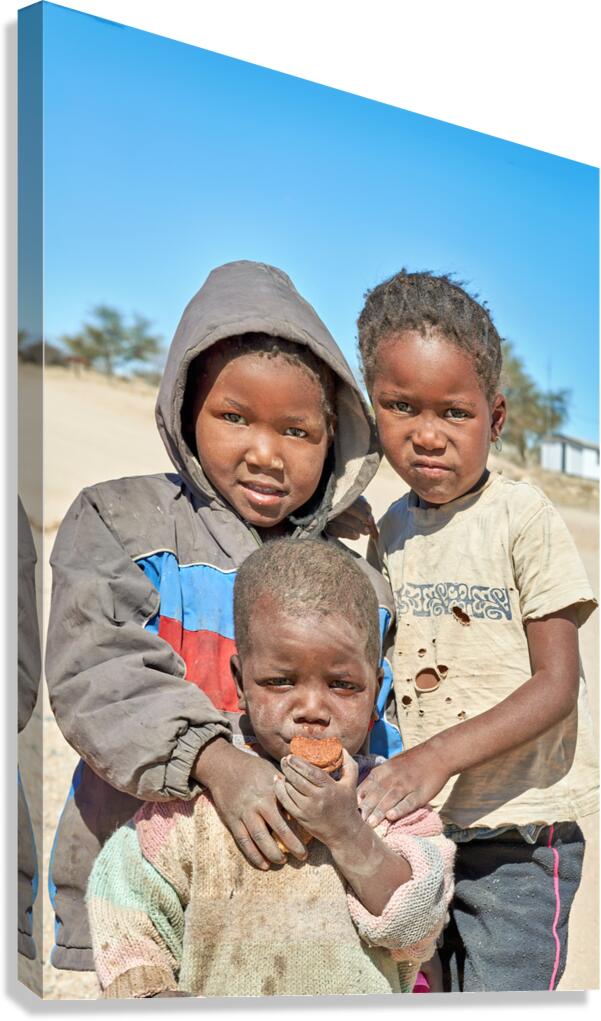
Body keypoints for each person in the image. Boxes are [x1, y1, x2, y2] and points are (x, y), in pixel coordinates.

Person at [45, 260, 399, 972]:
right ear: (186, 412)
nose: (265, 453)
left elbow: (376, 722)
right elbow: (97, 670)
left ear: (334, 438)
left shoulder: (354, 572)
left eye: (296, 431)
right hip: (131, 919)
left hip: (301, 937)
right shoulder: (119, 521)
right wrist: (216, 762)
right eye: (234, 417)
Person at [354, 269, 598, 992]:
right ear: (372, 411)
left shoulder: (522, 518)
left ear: (493, 418)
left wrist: (435, 756)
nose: (426, 435)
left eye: (453, 413)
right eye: (401, 407)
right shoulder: (387, 531)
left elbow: (556, 685)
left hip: (520, 837)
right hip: (423, 832)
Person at [86, 539, 455, 998]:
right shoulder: (200, 804)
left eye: (343, 685)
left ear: (375, 688)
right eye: (280, 682)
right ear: (241, 682)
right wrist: (149, 991)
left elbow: (417, 928)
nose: (312, 709)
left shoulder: (390, 805)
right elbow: (123, 898)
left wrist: (347, 831)